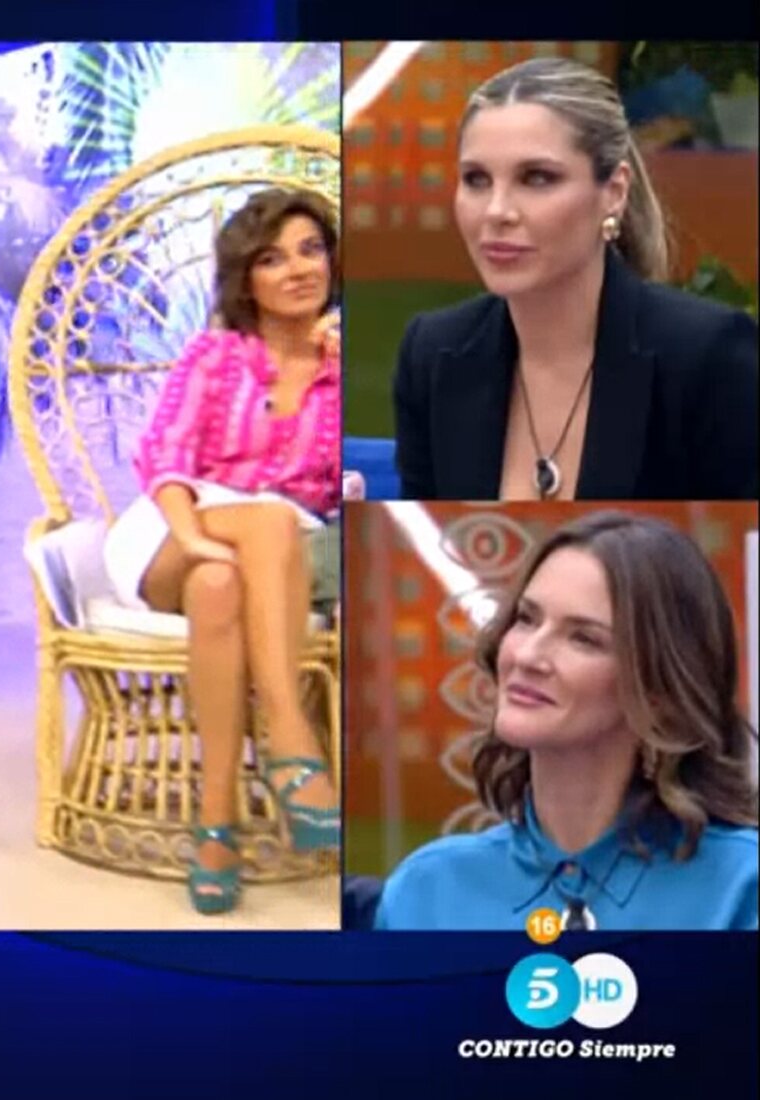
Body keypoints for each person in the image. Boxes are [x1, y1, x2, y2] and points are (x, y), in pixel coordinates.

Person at [108, 187, 343, 915]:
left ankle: (215, 828)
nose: (298, 269)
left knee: (224, 582)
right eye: (273, 259)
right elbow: (167, 460)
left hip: (277, 552)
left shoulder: (349, 369)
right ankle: (289, 738)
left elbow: (359, 484)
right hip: (172, 530)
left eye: (311, 250)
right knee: (254, 532)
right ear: (247, 280)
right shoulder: (216, 354)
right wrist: (196, 538)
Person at [392, 57, 759, 502]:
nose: (496, 211)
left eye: (537, 178)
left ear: (614, 192)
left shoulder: (710, 356)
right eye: (476, 179)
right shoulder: (432, 353)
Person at [375, 512, 759, 931]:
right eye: (527, 619)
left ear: (660, 691)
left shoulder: (741, 887)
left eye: (584, 638)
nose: (526, 656)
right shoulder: (426, 891)